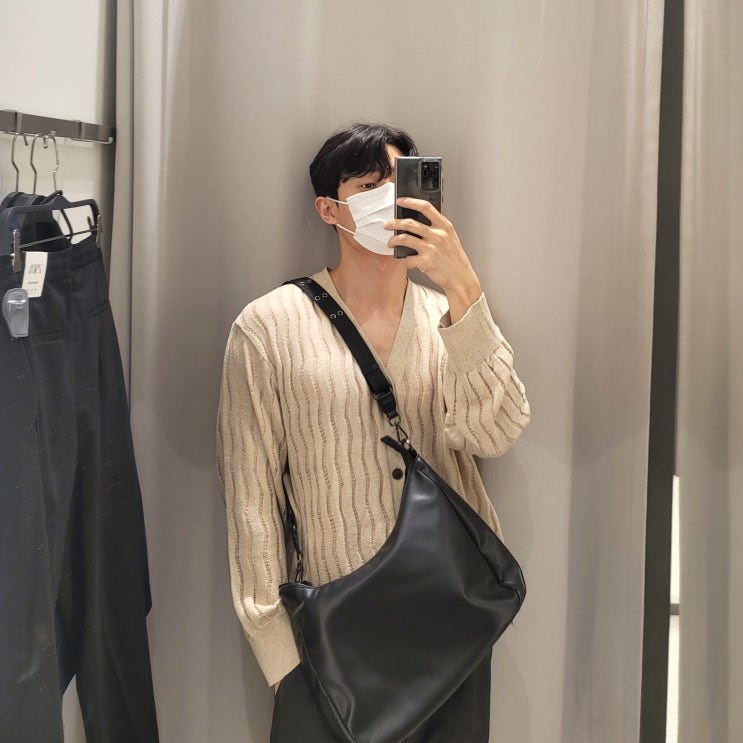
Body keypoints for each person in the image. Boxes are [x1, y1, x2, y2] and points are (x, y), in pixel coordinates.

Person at [217, 122, 531, 742]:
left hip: (451, 627)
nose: (388, 198)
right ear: (329, 209)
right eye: (368, 185)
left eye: (399, 181)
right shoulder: (267, 328)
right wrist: (283, 663)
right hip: (331, 641)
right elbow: (251, 503)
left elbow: (495, 434)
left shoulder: (449, 317)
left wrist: (463, 287)